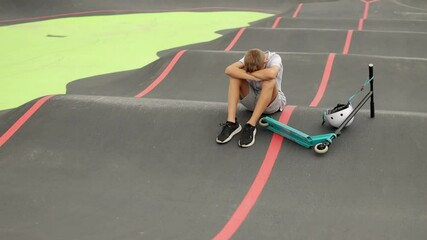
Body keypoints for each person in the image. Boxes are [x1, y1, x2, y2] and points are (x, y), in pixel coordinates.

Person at [216, 48, 287, 147]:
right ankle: (232, 122)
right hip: (252, 101)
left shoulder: (274, 58)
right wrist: (254, 77)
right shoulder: (249, 58)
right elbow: (228, 70)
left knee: (269, 80)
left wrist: (246, 73)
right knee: (234, 78)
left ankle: (251, 124)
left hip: (271, 104)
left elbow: (271, 73)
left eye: (258, 70)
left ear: (265, 62)